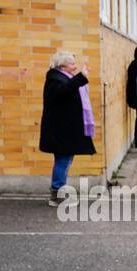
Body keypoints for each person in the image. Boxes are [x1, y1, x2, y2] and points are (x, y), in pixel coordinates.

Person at [39, 49, 97, 206]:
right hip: (60, 129)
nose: (75, 66)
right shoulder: (55, 79)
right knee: (63, 160)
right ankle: (57, 195)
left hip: (65, 128)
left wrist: (79, 78)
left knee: (65, 160)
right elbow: (63, 92)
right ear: (62, 65)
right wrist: (81, 77)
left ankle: (59, 192)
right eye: (71, 63)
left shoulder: (65, 78)